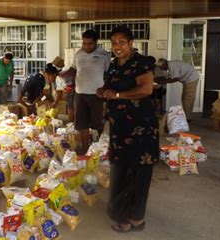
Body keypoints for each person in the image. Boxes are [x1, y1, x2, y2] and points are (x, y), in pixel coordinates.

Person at [96, 25, 158, 233]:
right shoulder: (114, 65)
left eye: (122, 42)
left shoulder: (142, 63)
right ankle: (123, 213)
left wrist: (117, 96)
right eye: (114, 42)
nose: (117, 46)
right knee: (121, 171)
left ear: (131, 43)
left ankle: (135, 218)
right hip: (120, 128)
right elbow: (114, 88)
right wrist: (104, 91)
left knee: (137, 173)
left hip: (140, 128)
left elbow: (146, 89)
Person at [61, 29, 111, 154]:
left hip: (96, 95)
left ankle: (99, 148)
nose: (86, 46)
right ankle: (85, 147)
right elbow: (73, 69)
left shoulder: (104, 55)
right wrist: (63, 74)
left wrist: (106, 90)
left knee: (97, 123)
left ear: (96, 42)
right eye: (84, 43)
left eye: (90, 44)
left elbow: (108, 74)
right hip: (80, 93)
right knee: (81, 123)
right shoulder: (78, 54)